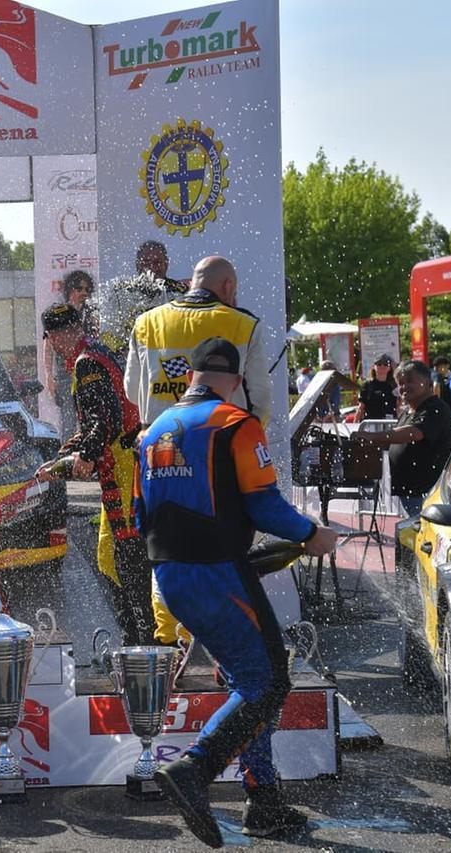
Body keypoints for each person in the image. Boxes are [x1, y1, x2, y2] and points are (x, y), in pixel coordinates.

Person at [136, 338, 337, 844]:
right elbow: (266, 506)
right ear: (236, 378)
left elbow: (142, 517)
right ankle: (195, 769)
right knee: (268, 682)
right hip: (217, 573)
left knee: (245, 681)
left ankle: (263, 800)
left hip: (171, 577)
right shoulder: (234, 424)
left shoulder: (153, 431)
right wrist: (314, 536)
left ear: (192, 377)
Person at [34, 304, 154, 646]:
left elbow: (106, 421)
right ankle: (132, 636)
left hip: (122, 467)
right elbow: (95, 423)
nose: (53, 347)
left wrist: (84, 456)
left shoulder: (86, 364)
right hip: (119, 464)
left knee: (130, 556)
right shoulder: (96, 352)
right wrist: (59, 457)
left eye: (51, 340)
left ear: (56, 337)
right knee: (107, 556)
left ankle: (146, 645)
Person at [125, 256, 271, 429]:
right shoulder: (245, 325)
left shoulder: (145, 322)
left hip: (159, 443)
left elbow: (133, 391)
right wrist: (250, 435)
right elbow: (261, 397)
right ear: (228, 286)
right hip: (220, 440)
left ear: (192, 283)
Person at [355, 360, 451, 517]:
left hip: (427, 493)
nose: (403, 387)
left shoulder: (435, 408)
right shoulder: (409, 412)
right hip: (411, 491)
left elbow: (414, 433)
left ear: (427, 382)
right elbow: (396, 441)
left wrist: (372, 437)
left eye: (409, 381)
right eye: (400, 383)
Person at [42, 270, 98, 439]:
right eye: (79, 288)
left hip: (88, 371)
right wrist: (49, 377)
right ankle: (66, 458)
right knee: (68, 421)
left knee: (90, 418)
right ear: (69, 290)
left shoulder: (92, 312)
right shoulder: (56, 313)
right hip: (65, 374)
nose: (83, 293)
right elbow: (48, 347)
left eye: (87, 289)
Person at [358, 356, 398, 420]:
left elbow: (398, 406)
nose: (382, 367)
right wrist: (355, 424)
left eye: (385, 365)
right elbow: (361, 407)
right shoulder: (367, 385)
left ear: (389, 368)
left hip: (389, 423)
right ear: (374, 367)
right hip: (371, 423)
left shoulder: (394, 385)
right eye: (379, 364)